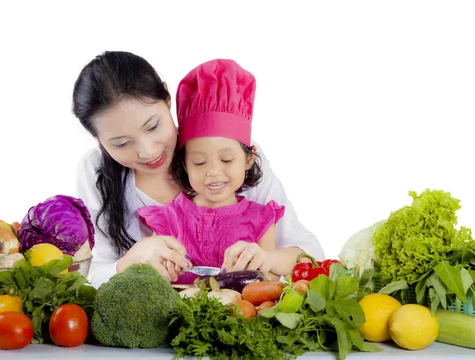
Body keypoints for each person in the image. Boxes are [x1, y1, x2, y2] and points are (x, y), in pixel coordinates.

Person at [72, 51, 324, 288]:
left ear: (167, 99)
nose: (148, 151)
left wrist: (266, 259)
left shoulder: (233, 155)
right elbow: (88, 273)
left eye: (152, 126)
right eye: (122, 143)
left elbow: (311, 255)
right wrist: (129, 262)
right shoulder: (95, 171)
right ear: (98, 139)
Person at [137, 59, 289, 284]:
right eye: (199, 162)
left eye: (226, 159)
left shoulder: (261, 220)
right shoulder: (168, 220)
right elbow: (151, 277)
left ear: (248, 158)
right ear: (185, 164)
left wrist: (263, 261)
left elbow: (270, 283)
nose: (213, 172)